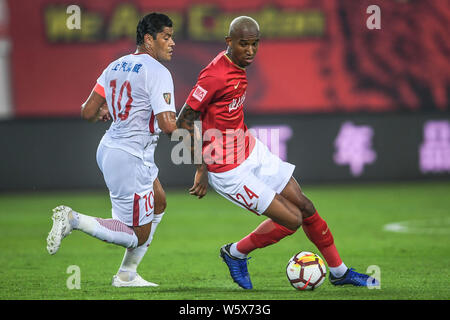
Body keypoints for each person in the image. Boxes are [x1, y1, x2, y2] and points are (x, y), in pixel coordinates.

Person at [176, 16, 379, 289]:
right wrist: (201, 168)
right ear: (229, 42)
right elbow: (184, 120)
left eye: (254, 44)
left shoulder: (239, 66)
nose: (250, 51)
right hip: (228, 170)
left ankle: (339, 272)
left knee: (305, 206)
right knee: (291, 220)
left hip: (250, 150)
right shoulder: (214, 75)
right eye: (243, 44)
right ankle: (235, 253)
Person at [46, 13, 177, 287]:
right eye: (166, 37)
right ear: (149, 39)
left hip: (110, 148)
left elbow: (88, 112)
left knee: (159, 201)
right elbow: (168, 125)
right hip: (130, 157)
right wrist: (195, 128)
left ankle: (127, 275)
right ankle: (74, 219)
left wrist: (108, 110)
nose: (172, 42)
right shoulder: (158, 72)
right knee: (136, 234)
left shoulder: (116, 64)